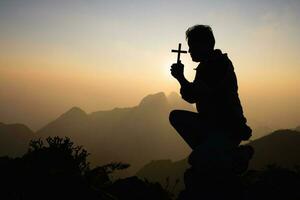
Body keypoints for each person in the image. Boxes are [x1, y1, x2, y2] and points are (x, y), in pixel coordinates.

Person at [169, 25, 252, 151]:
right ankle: (210, 150)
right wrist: (181, 78)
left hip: (223, 125)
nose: (190, 50)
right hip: (224, 122)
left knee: (176, 117)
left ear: (204, 45)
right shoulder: (214, 62)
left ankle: (216, 152)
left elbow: (193, 96)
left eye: (193, 46)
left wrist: (180, 77)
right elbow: (196, 93)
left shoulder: (214, 65)